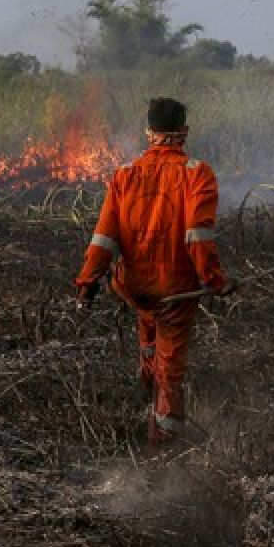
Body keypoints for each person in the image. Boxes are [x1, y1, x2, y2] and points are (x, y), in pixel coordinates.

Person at [74, 97, 233, 444]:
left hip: (135, 288)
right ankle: (163, 443)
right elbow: (198, 238)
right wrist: (216, 282)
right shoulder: (197, 174)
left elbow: (103, 238)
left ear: (148, 132)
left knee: (148, 334)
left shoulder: (125, 175)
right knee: (171, 367)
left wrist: (87, 283)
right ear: (185, 132)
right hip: (176, 291)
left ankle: (146, 387)